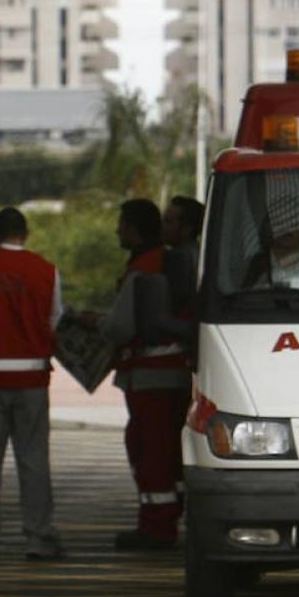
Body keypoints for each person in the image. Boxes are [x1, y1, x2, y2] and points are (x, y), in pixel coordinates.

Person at [0, 207, 65, 560]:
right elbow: (55, 318)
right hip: (31, 378)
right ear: (25, 234)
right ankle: (39, 538)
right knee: (33, 459)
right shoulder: (46, 271)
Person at [103, 199, 193, 550]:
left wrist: (94, 322)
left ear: (135, 228)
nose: (117, 231)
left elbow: (119, 326)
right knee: (169, 450)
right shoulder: (177, 261)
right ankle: (171, 516)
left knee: (149, 451)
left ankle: (157, 528)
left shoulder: (144, 268)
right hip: (176, 373)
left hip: (150, 375)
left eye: (122, 224)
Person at [161, 195, 204, 315]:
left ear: (187, 229)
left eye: (168, 222)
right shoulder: (200, 252)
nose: (161, 226)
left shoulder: (177, 257)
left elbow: (172, 304)